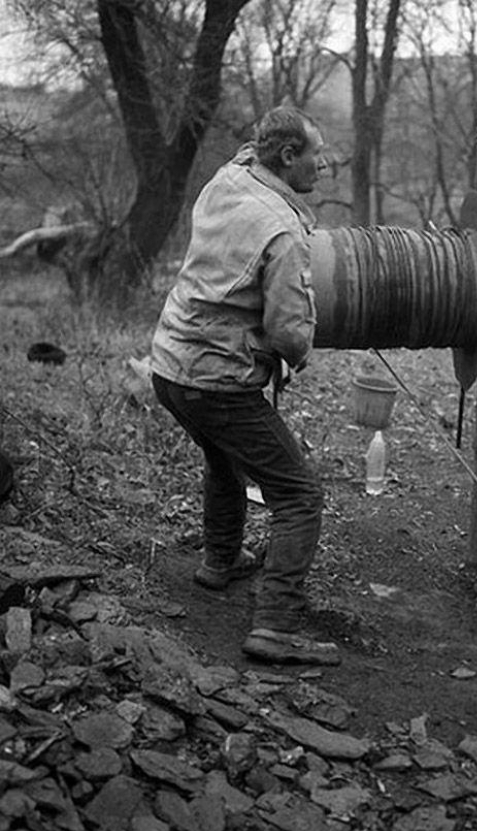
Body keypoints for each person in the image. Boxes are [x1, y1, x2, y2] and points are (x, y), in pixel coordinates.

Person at [151, 106, 340, 666]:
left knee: (223, 459)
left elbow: (247, 151)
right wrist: (300, 348)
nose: (325, 164)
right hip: (217, 380)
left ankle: (220, 562)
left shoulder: (229, 177)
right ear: (287, 157)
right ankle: (275, 627)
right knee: (299, 496)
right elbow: (288, 331)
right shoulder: (283, 230)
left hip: (170, 365)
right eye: (316, 152)